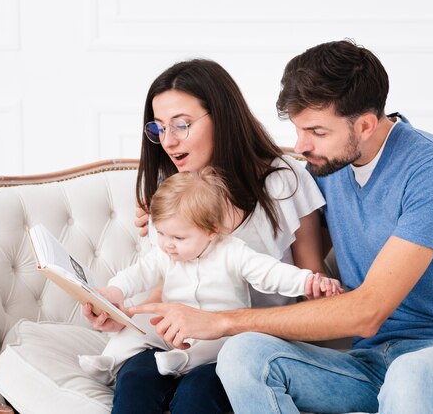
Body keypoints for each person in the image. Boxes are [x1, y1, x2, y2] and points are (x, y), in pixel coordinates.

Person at [130, 39, 433, 414]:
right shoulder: (329, 167)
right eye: (297, 129)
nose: (301, 146)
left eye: (316, 131)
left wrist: (221, 321)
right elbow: (265, 192)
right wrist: (177, 214)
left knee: (410, 375)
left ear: (364, 125)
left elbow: (369, 311)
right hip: (370, 361)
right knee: (243, 354)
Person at [83, 58, 329, 414]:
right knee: (136, 377)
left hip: (245, 345)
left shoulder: (284, 180)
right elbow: (164, 278)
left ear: (222, 117)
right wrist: (121, 312)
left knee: (200, 392)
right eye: (159, 128)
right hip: (180, 340)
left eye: (181, 125)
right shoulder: (168, 189)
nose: (169, 141)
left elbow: (312, 281)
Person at [79, 168, 342, 386]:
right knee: (135, 327)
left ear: (211, 231)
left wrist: (308, 281)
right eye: (162, 234)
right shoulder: (165, 254)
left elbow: (271, 273)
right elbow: (136, 274)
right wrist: (115, 291)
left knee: (222, 344)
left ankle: (183, 361)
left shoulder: (233, 252)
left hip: (217, 330)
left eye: (178, 238)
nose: (167, 244)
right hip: (174, 326)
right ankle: (110, 361)